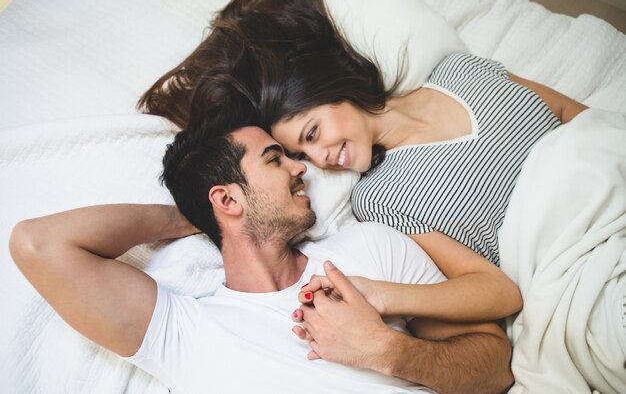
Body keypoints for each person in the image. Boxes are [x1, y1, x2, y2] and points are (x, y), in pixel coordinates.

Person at [138, 0, 533, 329]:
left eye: (312, 133)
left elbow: (571, 116)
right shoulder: (379, 199)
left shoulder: (456, 73)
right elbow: (497, 291)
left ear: (332, 89)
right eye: (303, 153)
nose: (317, 160)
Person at [10, 123, 514, 394]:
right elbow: (38, 244)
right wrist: (185, 218)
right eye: (276, 159)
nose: (301, 168)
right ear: (227, 199)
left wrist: (388, 351)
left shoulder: (368, 248)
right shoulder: (185, 333)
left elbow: (495, 369)